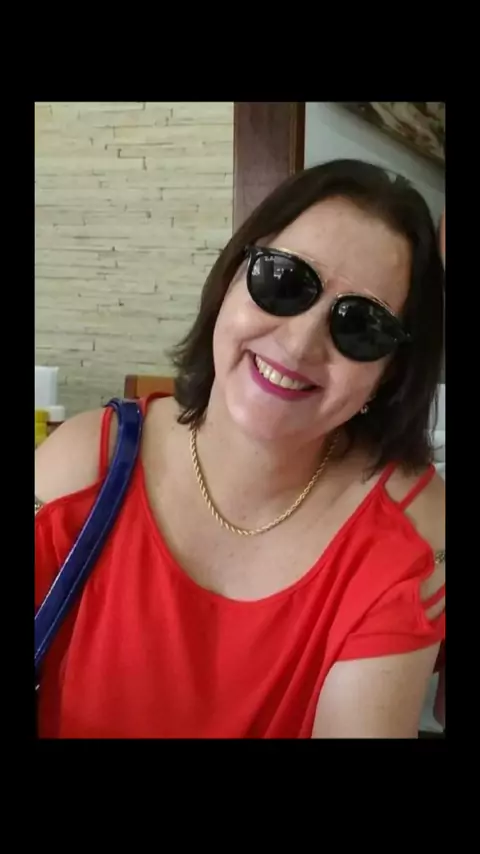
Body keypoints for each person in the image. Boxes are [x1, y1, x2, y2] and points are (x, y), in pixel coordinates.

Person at [35, 159, 445, 739]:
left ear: (390, 373)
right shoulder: (84, 467)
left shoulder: (401, 537)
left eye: (361, 327)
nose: (299, 344)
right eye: (284, 281)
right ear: (232, 278)